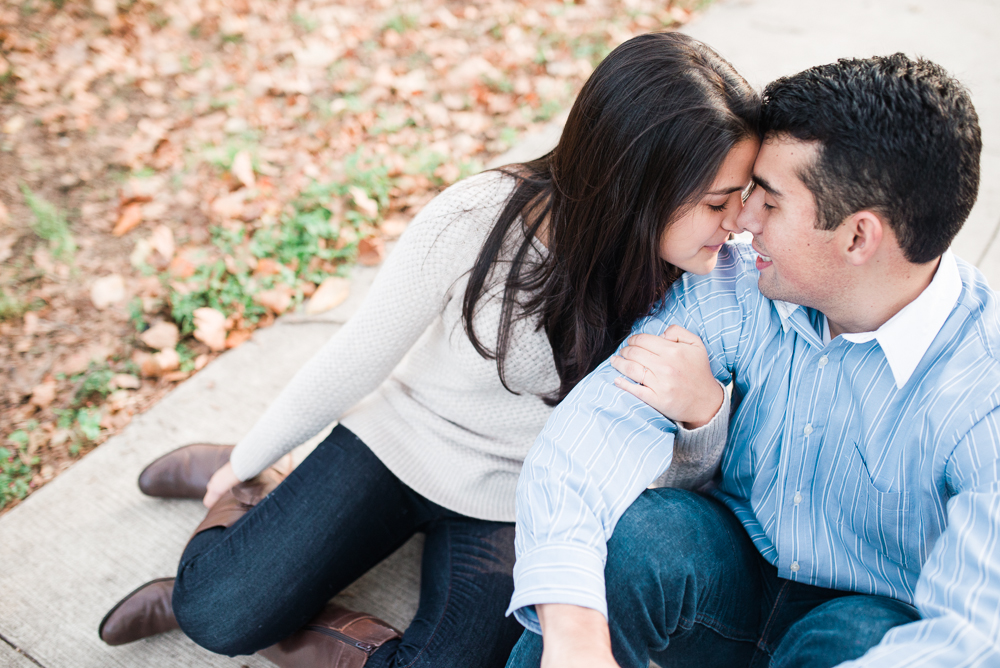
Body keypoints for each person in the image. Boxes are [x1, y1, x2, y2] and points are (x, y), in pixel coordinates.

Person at [96, 32, 762, 668]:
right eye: (718, 202)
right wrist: (249, 456)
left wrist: (703, 418)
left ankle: (293, 621)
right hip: (401, 442)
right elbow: (358, 355)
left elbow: (647, 492)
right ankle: (249, 493)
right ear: (638, 185)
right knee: (216, 611)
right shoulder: (477, 219)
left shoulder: (698, 291)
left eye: (745, 198)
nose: (737, 224)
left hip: (514, 505)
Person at [506, 52, 992, 668]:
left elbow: (975, 631)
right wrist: (575, 639)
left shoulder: (984, 390)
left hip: (869, 618)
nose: (743, 221)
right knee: (644, 535)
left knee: (861, 636)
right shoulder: (737, 283)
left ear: (858, 237)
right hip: (730, 574)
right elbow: (585, 443)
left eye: (770, 202)